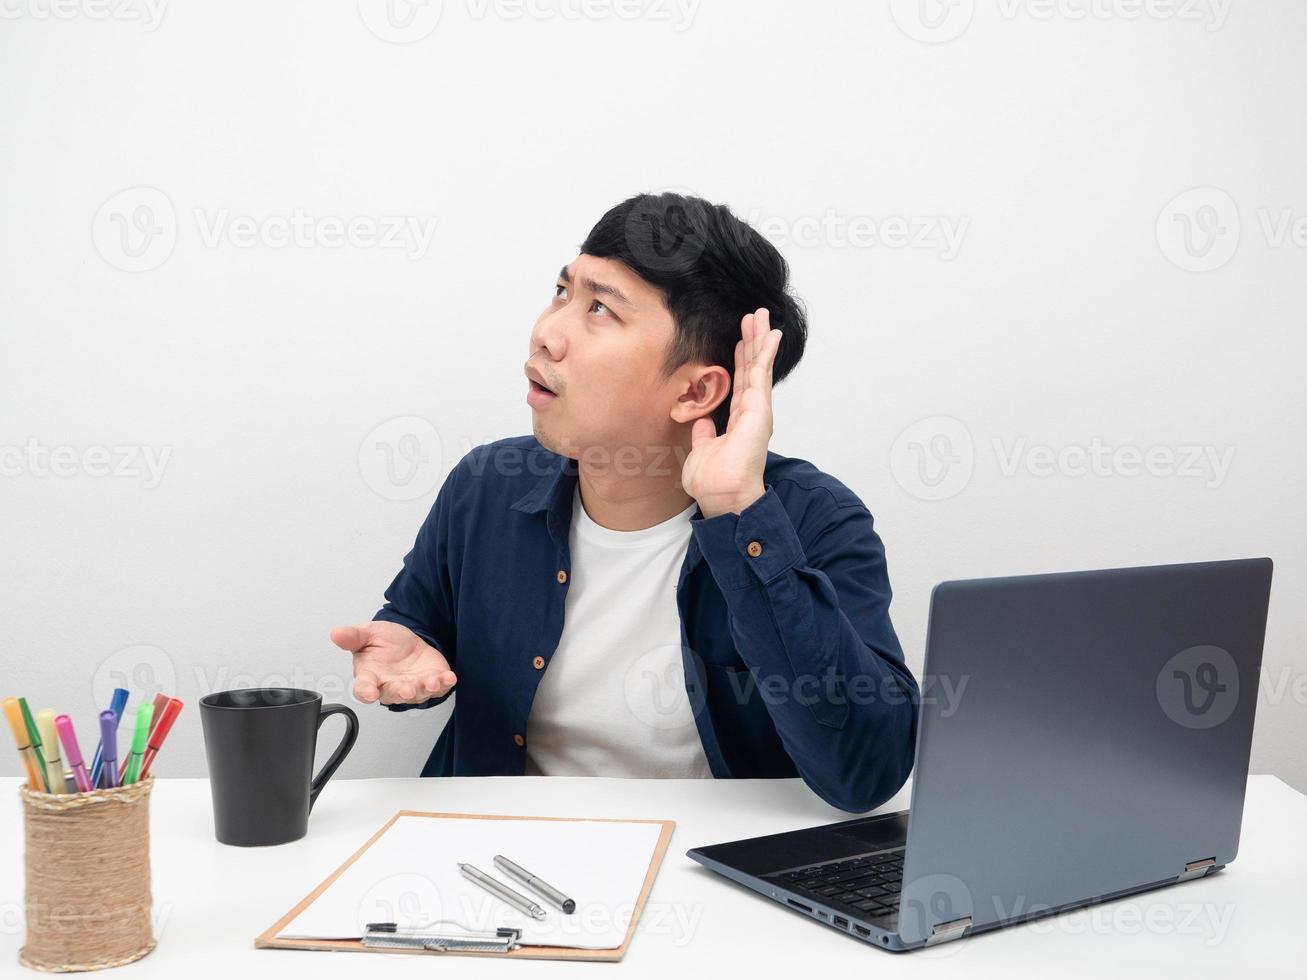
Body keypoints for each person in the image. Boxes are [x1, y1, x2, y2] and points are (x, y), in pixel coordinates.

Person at [331, 192, 919, 812]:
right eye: (563, 291)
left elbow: (867, 774)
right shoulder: (486, 486)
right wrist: (407, 658)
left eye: (601, 310)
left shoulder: (814, 520)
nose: (546, 332)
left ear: (696, 391)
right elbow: (417, 628)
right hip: (501, 855)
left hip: (707, 875)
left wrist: (740, 514)